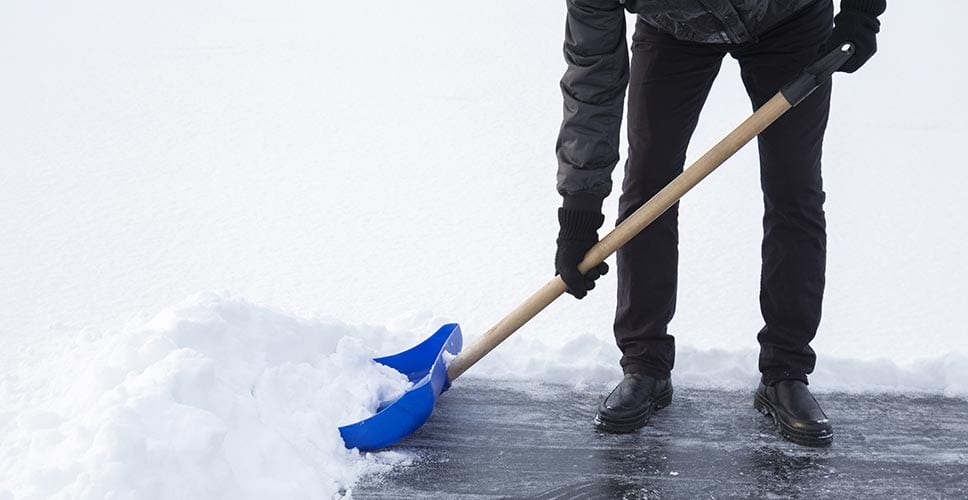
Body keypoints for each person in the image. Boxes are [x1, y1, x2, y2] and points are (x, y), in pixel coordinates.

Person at [554, 0, 886, 446]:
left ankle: (785, 372)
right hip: (674, 28)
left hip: (788, 17)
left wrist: (862, 9)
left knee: (795, 187)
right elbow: (592, 77)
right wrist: (579, 211)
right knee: (649, 188)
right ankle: (644, 364)